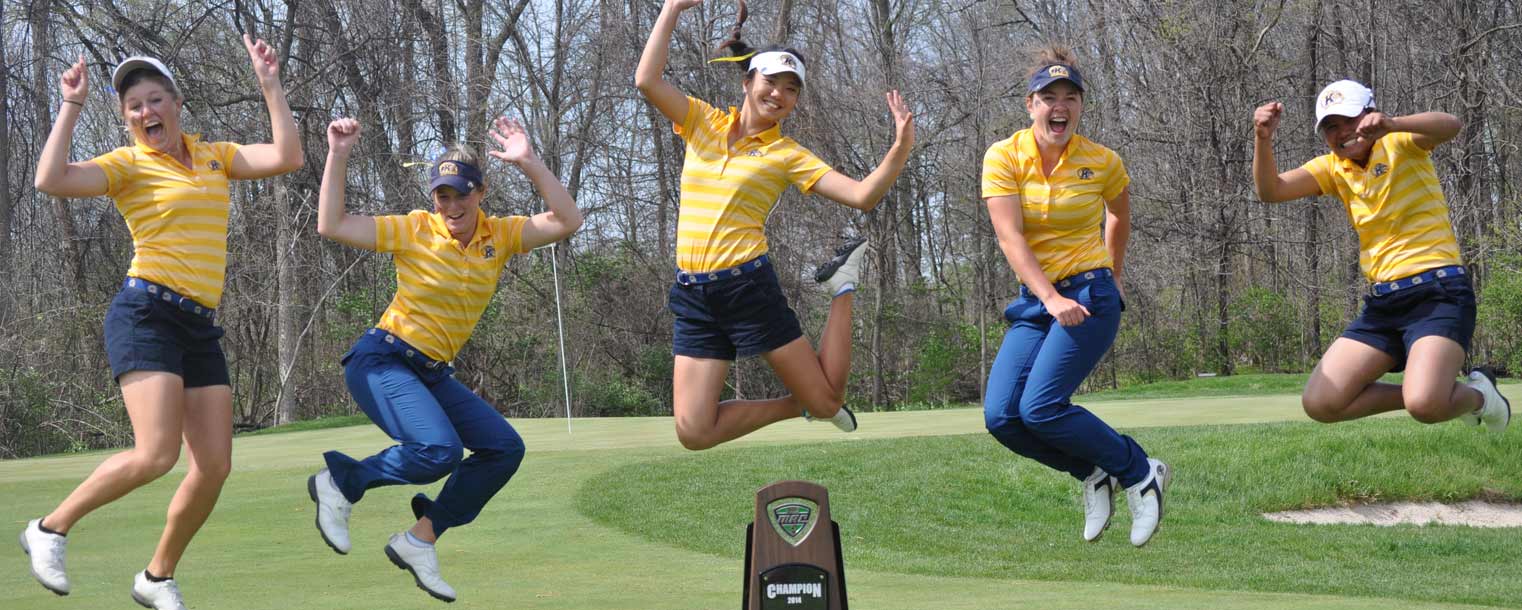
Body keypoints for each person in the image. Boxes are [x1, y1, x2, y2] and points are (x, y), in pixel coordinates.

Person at [21, 37, 302, 609]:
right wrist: (70, 105)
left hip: (198, 324)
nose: (146, 112)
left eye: (155, 100)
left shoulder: (215, 156)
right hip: (145, 312)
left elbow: (286, 157)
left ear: (176, 103)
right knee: (155, 455)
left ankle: (156, 577)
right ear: (127, 119)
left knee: (215, 465)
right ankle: (49, 529)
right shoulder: (128, 165)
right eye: (134, 107)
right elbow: (50, 180)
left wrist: (270, 84)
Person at [306, 115, 581, 603]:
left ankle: (420, 540)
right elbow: (332, 224)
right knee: (439, 452)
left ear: (481, 192)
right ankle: (341, 481)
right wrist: (338, 154)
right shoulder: (415, 229)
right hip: (383, 359)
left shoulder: (501, 236)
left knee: (503, 449)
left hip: (431, 373)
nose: (452, 205)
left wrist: (530, 162)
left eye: (461, 193)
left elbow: (567, 221)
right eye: (442, 195)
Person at [635, 0, 914, 450]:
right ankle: (800, 403)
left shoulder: (786, 154)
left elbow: (863, 195)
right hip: (692, 293)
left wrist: (899, 147)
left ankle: (842, 287)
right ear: (748, 82)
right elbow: (646, 80)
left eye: (791, 89)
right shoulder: (701, 120)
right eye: (771, 82)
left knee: (827, 402)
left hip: (747, 288)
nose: (779, 94)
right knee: (693, 432)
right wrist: (671, 9)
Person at [981, 46, 1171, 548]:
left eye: (1070, 97)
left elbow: (1120, 215)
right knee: (1002, 417)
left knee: (1041, 407)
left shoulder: (1102, 161)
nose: (1059, 106)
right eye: (1048, 97)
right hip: (1040, 301)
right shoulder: (1003, 156)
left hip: (1088, 295)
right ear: (1030, 104)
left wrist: (1115, 271)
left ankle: (1139, 471)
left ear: (1080, 107)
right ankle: (1094, 471)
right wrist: (1047, 297)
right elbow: (1010, 238)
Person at [1252, 80, 1510, 433]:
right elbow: (1271, 191)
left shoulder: (1401, 142)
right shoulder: (1333, 168)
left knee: (1424, 405)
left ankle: (1481, 397)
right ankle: (1434, 391)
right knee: (1321, 403)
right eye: (1330, 126)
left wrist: (1394, 123)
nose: (1341, 132)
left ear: (1369, 114)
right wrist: (1263, 139)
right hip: (1383, 306)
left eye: (1349, 120)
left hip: (1438, 294)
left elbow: (1451, 125)